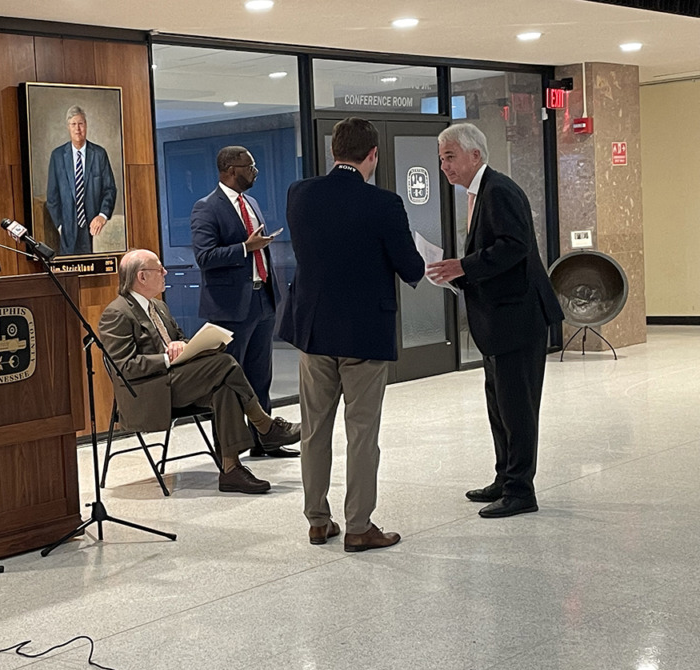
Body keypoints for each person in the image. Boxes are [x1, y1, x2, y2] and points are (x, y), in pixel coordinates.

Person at [278, 118, 425, 551]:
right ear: (373, 155)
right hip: (364, 332)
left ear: (333, 151)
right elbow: (410, 267)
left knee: (313, 430)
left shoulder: (299, 194)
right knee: (362, 431)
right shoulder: (384, 203)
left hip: (314, 330)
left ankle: (317, 521)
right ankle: (359, 526)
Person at [427, 123, 564, 519]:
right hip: (498, 321)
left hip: (517, 319)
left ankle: (522, 490)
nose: (444, 166)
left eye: (450, 157)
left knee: (517, 408)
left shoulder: (499, 191)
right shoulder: (480, 192)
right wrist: (462, 273)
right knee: (499, 404)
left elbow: (513, 247)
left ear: (475, 155)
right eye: (441, 159)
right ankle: (505, 477)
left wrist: (463, 266)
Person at [98, 249, 301, 495]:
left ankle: (231, 470)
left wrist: (182, 345)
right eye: (159, 269)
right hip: (148, 391)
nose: (165, 272)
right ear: (142, 276)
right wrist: (166, 357)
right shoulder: (117, 313)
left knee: (224, 389)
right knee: (224, 364)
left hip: (175, 382)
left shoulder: (159, 306)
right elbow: (125, 367)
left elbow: (181, 339)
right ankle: (265, 426)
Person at [190, 146, 296, 459]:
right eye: (250, 166)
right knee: (229, 382)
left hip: (261, 299)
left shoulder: (251, 202)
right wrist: (245, 248)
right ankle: (230, 453)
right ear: (231, 169)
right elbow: (204, 256)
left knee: (260, 376)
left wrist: (256, 247)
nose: (255, 171)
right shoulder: (206, 208)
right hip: (228, 309)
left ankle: (265, 441)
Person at [45, 105, 117, 256]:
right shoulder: (57, 156)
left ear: (86, 125)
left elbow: (109, 189)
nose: (78, 129)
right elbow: (52, 197)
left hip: (95, 230)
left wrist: (102, 216)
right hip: (67, 231)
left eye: (81, 124)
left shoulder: (99, 154)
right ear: (68, 127)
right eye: (73, 124)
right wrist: (60, 225)